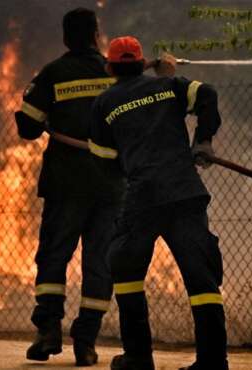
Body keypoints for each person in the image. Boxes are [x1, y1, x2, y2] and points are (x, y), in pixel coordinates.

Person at [88, 36, 227, 370]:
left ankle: (137, 357)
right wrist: (203, 141)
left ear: (110, 68)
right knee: (201, 278)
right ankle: (212, 363)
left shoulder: (105, 103)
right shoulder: (169, 86)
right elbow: (207, 95)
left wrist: (126, 166)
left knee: (125, 268)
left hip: (142, 197)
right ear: (141, 63)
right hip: (183, 192)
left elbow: (102, 157)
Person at [14, 8, 125, 366]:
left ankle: (48, 330)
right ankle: (86, 341)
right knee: (100, 264)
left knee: (53, 256)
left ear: (65, 38)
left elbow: (28, 127)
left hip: (66, 185)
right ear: (96, 35)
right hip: (110, 187)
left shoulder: (54, 74)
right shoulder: (114, 73)